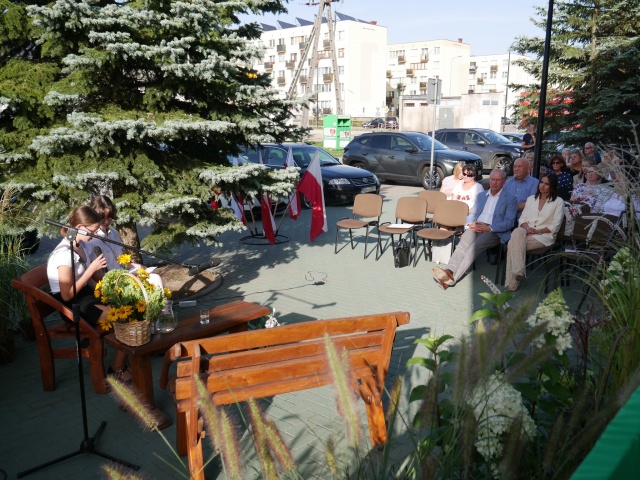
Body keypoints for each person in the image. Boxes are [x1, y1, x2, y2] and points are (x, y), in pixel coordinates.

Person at [47, 206, 131, 383]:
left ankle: (125, 358)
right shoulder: (64, 255)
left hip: (86, 296)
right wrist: (91, 270)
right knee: (126, 317)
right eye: (92, 231)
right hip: (71, 306)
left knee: (131, 307)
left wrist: (115, 288)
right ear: (79, 227)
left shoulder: (82, 244)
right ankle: (117, 368)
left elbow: (96, 276)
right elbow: (67, 295)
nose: (94, 234)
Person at [431, 170, 518, 289]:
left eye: (498, 180)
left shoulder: (510, 199)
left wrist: (489, 227)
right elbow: (473, 214)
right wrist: (469, 224)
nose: (494, 182)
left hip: (493, 230)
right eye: (493, 179)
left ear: (504, 182)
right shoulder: (482, 195)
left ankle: (452, 279)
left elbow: (509, 222)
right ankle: (449, 270)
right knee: (462, 246)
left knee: (472, 249)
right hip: (476, 226)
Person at [85, 195, 164, 289]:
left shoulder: (113, 233)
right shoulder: (90, 240)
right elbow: (93, 275)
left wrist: (137, 267)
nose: (106, 221)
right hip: (111, 282)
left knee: (153, 278)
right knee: (154, 280)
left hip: (124, 275)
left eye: (109, 217)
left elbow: (121, 262)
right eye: (102, 218)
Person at [504, 173, 564, 292]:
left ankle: (512, 284)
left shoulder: (558, 201)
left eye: (546, 184)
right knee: (518, 230)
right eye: (541, 182)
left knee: (512, 244)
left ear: (552, 187)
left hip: (544, 236)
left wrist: (537, 231)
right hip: (526, 233)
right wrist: (527, 228)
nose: (542, 186)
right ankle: (519, 271)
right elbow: (522, 219)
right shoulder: (531, 199)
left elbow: (555, 225)